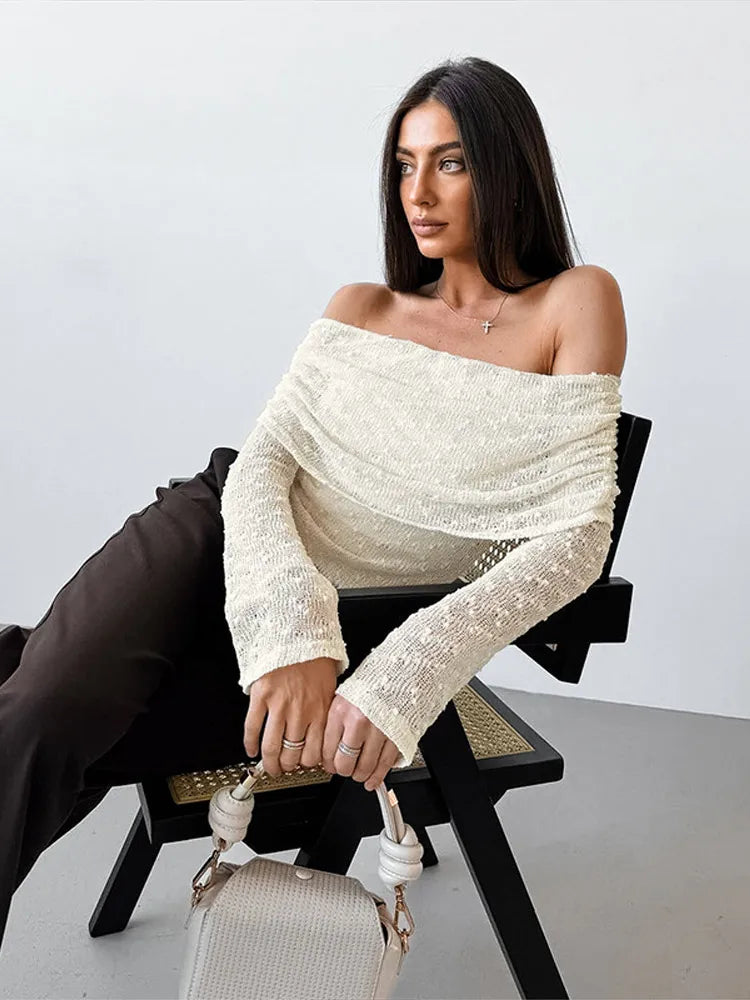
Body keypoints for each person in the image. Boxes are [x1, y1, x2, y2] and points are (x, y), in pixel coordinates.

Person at [0, 55, 627, 951]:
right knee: (45, 716)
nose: (421, 191)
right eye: (405, 165)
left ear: (508, 164)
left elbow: (576, 537)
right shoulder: (364, 305)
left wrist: (400, 677)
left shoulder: (576, 303)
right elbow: (264, 466)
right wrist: (292, 626)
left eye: (451, 162)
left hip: (355, 627)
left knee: (50, 710)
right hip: (211, 535)